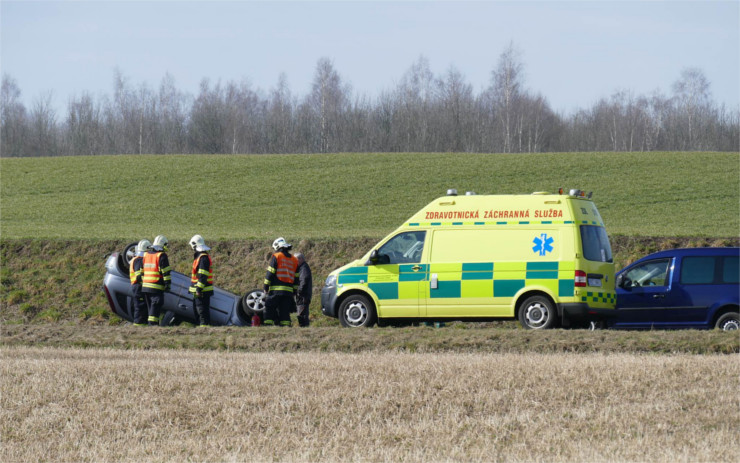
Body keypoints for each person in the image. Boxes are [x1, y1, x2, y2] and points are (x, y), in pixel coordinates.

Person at [262, 237, 299, 327]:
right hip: (288, 292)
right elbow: (296, 277)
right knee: (284, 311)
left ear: (277, 247)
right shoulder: (294, 260)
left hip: (276, 290)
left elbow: (270, 272)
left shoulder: (277, 256)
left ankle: (267, 327)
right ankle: (285, 328)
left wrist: (266, 286)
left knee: (270, 308)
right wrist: (294, 291)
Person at [142, 234, 171, 325]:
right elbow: (165, 272)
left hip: (146, 286)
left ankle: (152, 326)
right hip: (156, 286)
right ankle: (153, 328)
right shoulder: (161, 256)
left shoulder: (146, 255)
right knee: (155, 308)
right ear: (162, 244)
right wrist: (167, 284)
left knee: (151, 308)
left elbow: (143, 270)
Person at [189, 234, 213, 327]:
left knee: (202, 312)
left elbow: (203, 275)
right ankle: (201, 328)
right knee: (198, 312)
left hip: (202, 290)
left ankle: (204, 330)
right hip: (199, 290)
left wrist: (199, 288)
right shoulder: (200, 257)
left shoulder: (203, 258)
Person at [129, 239, 151, 326]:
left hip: (138, 286)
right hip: (138, 286)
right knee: (140, 307)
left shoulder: (137, 259)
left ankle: (141, 325)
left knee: (142, 307)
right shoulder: (139, 260)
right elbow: (139, 276)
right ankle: (137, 326)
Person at [294, 252, 312, 327]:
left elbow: (304, 280)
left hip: (303, 295)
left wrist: (299, 291)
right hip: (303, 295)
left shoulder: (303, 268)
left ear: (300, 259)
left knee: (302, 313)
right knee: (302, 313)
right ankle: (304, 327)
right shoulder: (302, 267)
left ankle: (304, 328)